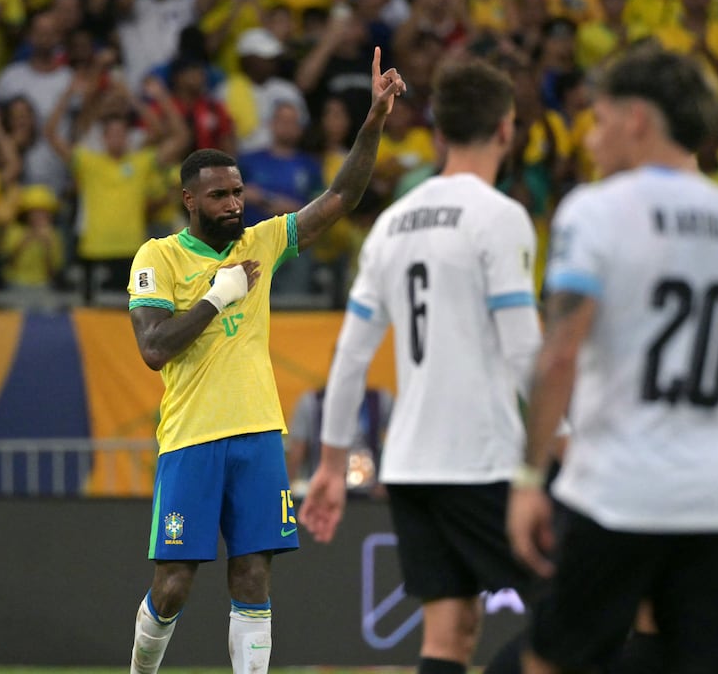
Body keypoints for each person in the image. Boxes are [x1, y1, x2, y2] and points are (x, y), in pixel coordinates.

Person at [507, 46, 718, 674]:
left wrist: (530, 479)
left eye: (600, 117)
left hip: (614, 493)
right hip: (714, 501)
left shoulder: (597, 211)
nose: (590, 136)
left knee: (549, 661)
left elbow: (559, 355)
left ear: (636, 118)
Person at [125, 48, 405, 674]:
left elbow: (342, 195)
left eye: (237, 192)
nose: (234, 204)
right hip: (192, 438)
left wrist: (373, 121)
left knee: (253, 577)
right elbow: (153, 348)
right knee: (172, 585)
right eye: (219, 196)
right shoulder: (158, 257)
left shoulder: (263, 240)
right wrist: (218, 296)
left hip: (258, 435)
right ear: (190, 201)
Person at [298, 59, 539, 674]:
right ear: (507, 130)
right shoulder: (500, 216)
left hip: (411, 465)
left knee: (449, 636)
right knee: (584, 617)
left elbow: (350, 353)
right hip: (481, 460)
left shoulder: (391, 224)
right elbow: (525, 352)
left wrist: (330, 465)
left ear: (436, 132)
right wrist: (564, 447)